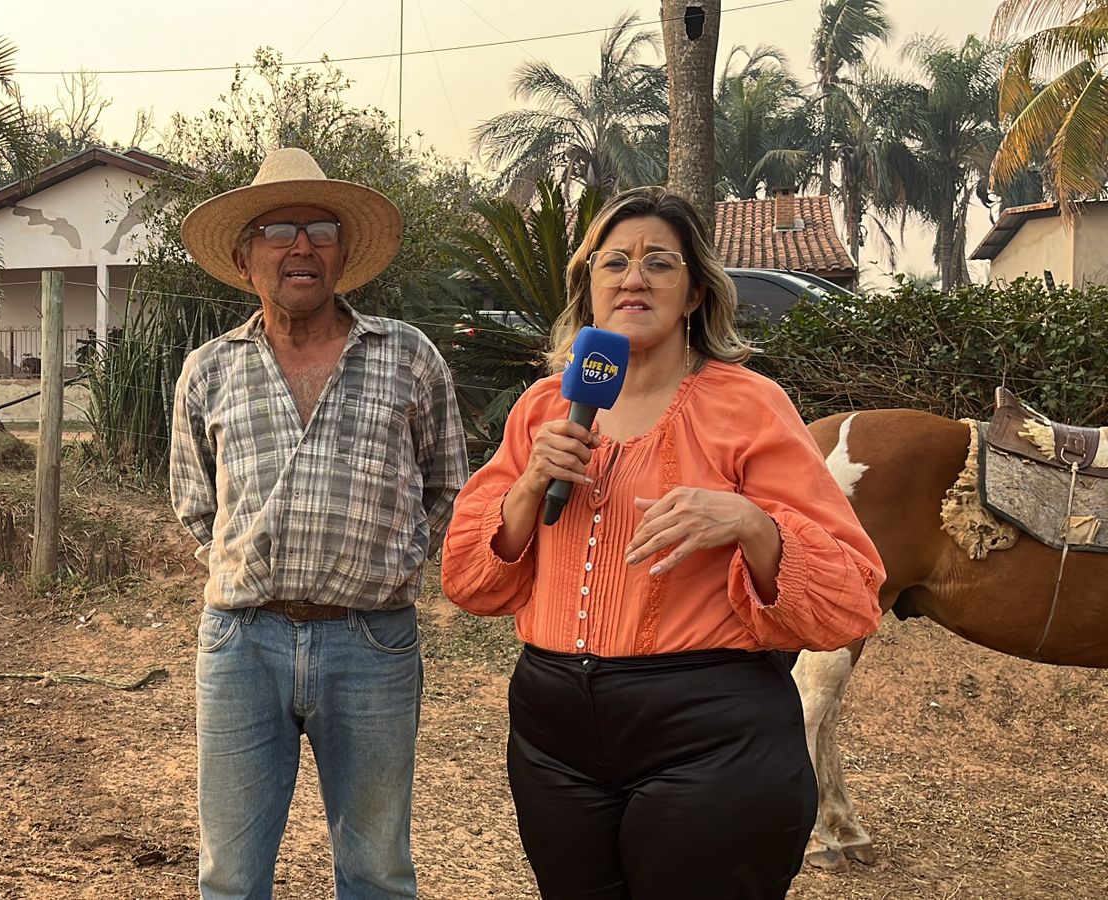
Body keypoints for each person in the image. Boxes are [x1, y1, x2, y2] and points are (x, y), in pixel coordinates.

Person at [440, 186, 884, 900]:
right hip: (553, 733)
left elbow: (851, 596)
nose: (633, 277)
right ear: (589, 290)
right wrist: (528, 485)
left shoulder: (749, 404)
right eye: (612, 263)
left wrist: (750, 523)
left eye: (658, 263)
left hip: (707, 730)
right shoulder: (545, 407)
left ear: (697, 293)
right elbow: (468, 580)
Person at [170, 147, 469, 899]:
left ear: (343, 254)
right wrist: (252, 573)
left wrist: (388, 562)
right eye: (280, 229)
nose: (302, 246)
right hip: (241, 644)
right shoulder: (208, 369)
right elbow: (195, 506)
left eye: (322, 228)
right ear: (244, 260)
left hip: (372, 641)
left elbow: (447, 486)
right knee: (230, 877)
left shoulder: (408, 356)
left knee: (376, 872)